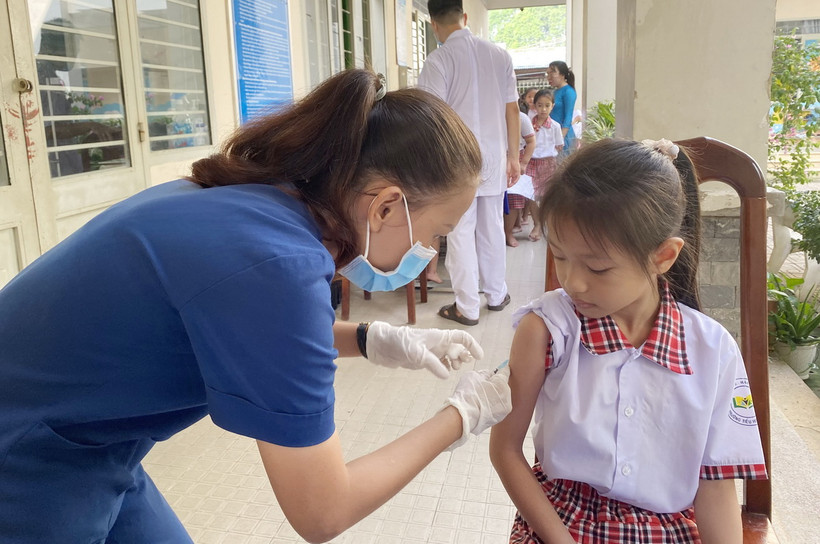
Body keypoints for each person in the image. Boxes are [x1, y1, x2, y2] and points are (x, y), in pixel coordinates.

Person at [0, 69, 514, 543]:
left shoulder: (263, 201)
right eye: (438, 234)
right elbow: (323, 510)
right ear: (385, 206)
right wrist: (462, 416)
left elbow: (248, 330)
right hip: (27, 461)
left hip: (89, 439)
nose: (430, 255)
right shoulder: (279, 262)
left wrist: (372, 339)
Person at [489, 138, 767, 544]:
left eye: (598, 268)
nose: (573, 282)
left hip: (669, 528)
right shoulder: (546, 330)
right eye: (561, 256)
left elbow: (716, 487)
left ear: (663, 256)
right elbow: (505, 449)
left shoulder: (713, 350)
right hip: (561, 525)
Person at [418, 0, 520, 327]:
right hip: (494, 156)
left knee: (461, 232)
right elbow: (512, 110)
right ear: (464, 17)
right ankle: (497, 294)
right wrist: (514, 156)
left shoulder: (438, 60)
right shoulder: (500, 55)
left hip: (456, 160)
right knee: (492, 226)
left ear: (433, 24)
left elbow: (430, 118)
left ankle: (467, 307)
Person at [525, 89, 563, 242]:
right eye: (540, 105)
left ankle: (548, 224)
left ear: (552, 106)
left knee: (547, 195)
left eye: (547, 105)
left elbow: (559, 145)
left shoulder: (555, 126)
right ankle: (537, 224)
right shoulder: (528, 123)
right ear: (534, 106)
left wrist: (549, 154)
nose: (543, 109)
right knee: (531, 194)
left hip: (548, 163)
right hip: (531, 162)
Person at [505, 110, 535, 247]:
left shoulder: (521, 118)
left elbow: (531, 141)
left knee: (513, 198)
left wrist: (523, 163)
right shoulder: (490, 113)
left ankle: (508, 233)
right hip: (493, 158)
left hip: (516, 158)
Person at [546, 61, 577, 153]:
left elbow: (568, 117)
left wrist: (560, 139)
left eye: (552, 73)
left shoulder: (569, 91)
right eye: (547, 73)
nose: (549, 77)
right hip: (553, 134)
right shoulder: (555, 92)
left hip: (564, 137)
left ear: (562, 75)